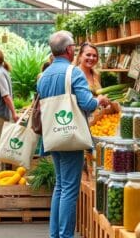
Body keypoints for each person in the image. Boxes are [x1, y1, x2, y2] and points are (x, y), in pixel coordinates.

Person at [37, 31, 109, 238]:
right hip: (70, 137)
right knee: (69, 189)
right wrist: (100, 100)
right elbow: (87, 103)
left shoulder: (44, 76)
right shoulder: (73, 72)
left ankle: (55, 234)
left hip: (53, 135)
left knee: (60, 187)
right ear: (69, 50)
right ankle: (65, 235)